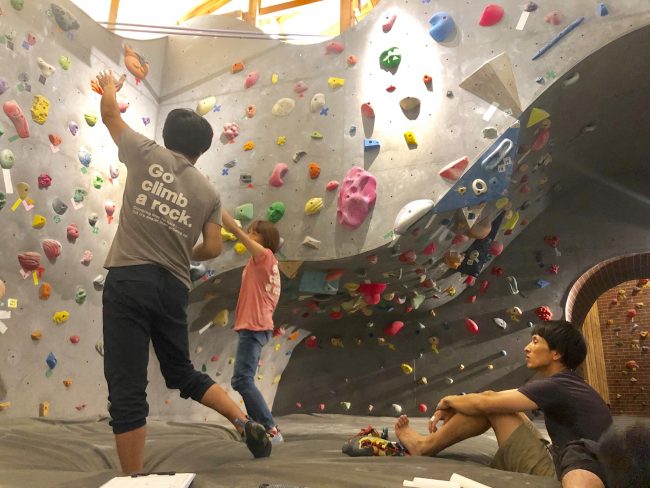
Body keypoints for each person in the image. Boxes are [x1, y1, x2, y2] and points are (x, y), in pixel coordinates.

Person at [96, 70, 271, 474]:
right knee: (182, 371)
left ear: (166, 134)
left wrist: (110, 86)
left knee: (127, 384)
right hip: (173, 287)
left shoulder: (144, 151)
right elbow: (212, 248)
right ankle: (244, 421)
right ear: (202, 150)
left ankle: (135, 479)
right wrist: (179, 246)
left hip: (130, 277)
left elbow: (109, 115)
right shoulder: (209, 192)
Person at [394, 320, 613, 488]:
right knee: (491, 402)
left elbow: (486, 402)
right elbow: (493, 397)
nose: (527, 347)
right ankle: (424, 445)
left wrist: (448, 400)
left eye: (535, 341)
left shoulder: (557, 385)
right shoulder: (568, 383)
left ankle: (423, 446)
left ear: (556, 353)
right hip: (566, 460)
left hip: (570, 472)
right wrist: (460, 403)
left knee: (490, 406)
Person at [220, 212, 283, 443]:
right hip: (257, 326)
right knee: (242, 380)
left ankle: (270, 429)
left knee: (242, 380)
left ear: (266, 239)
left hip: (254, 326)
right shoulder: (264, 263)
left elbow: (236, 233)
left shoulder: (265, 257)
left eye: (255, 232)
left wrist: (219, 209)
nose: (249, 234)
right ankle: (261, 426)